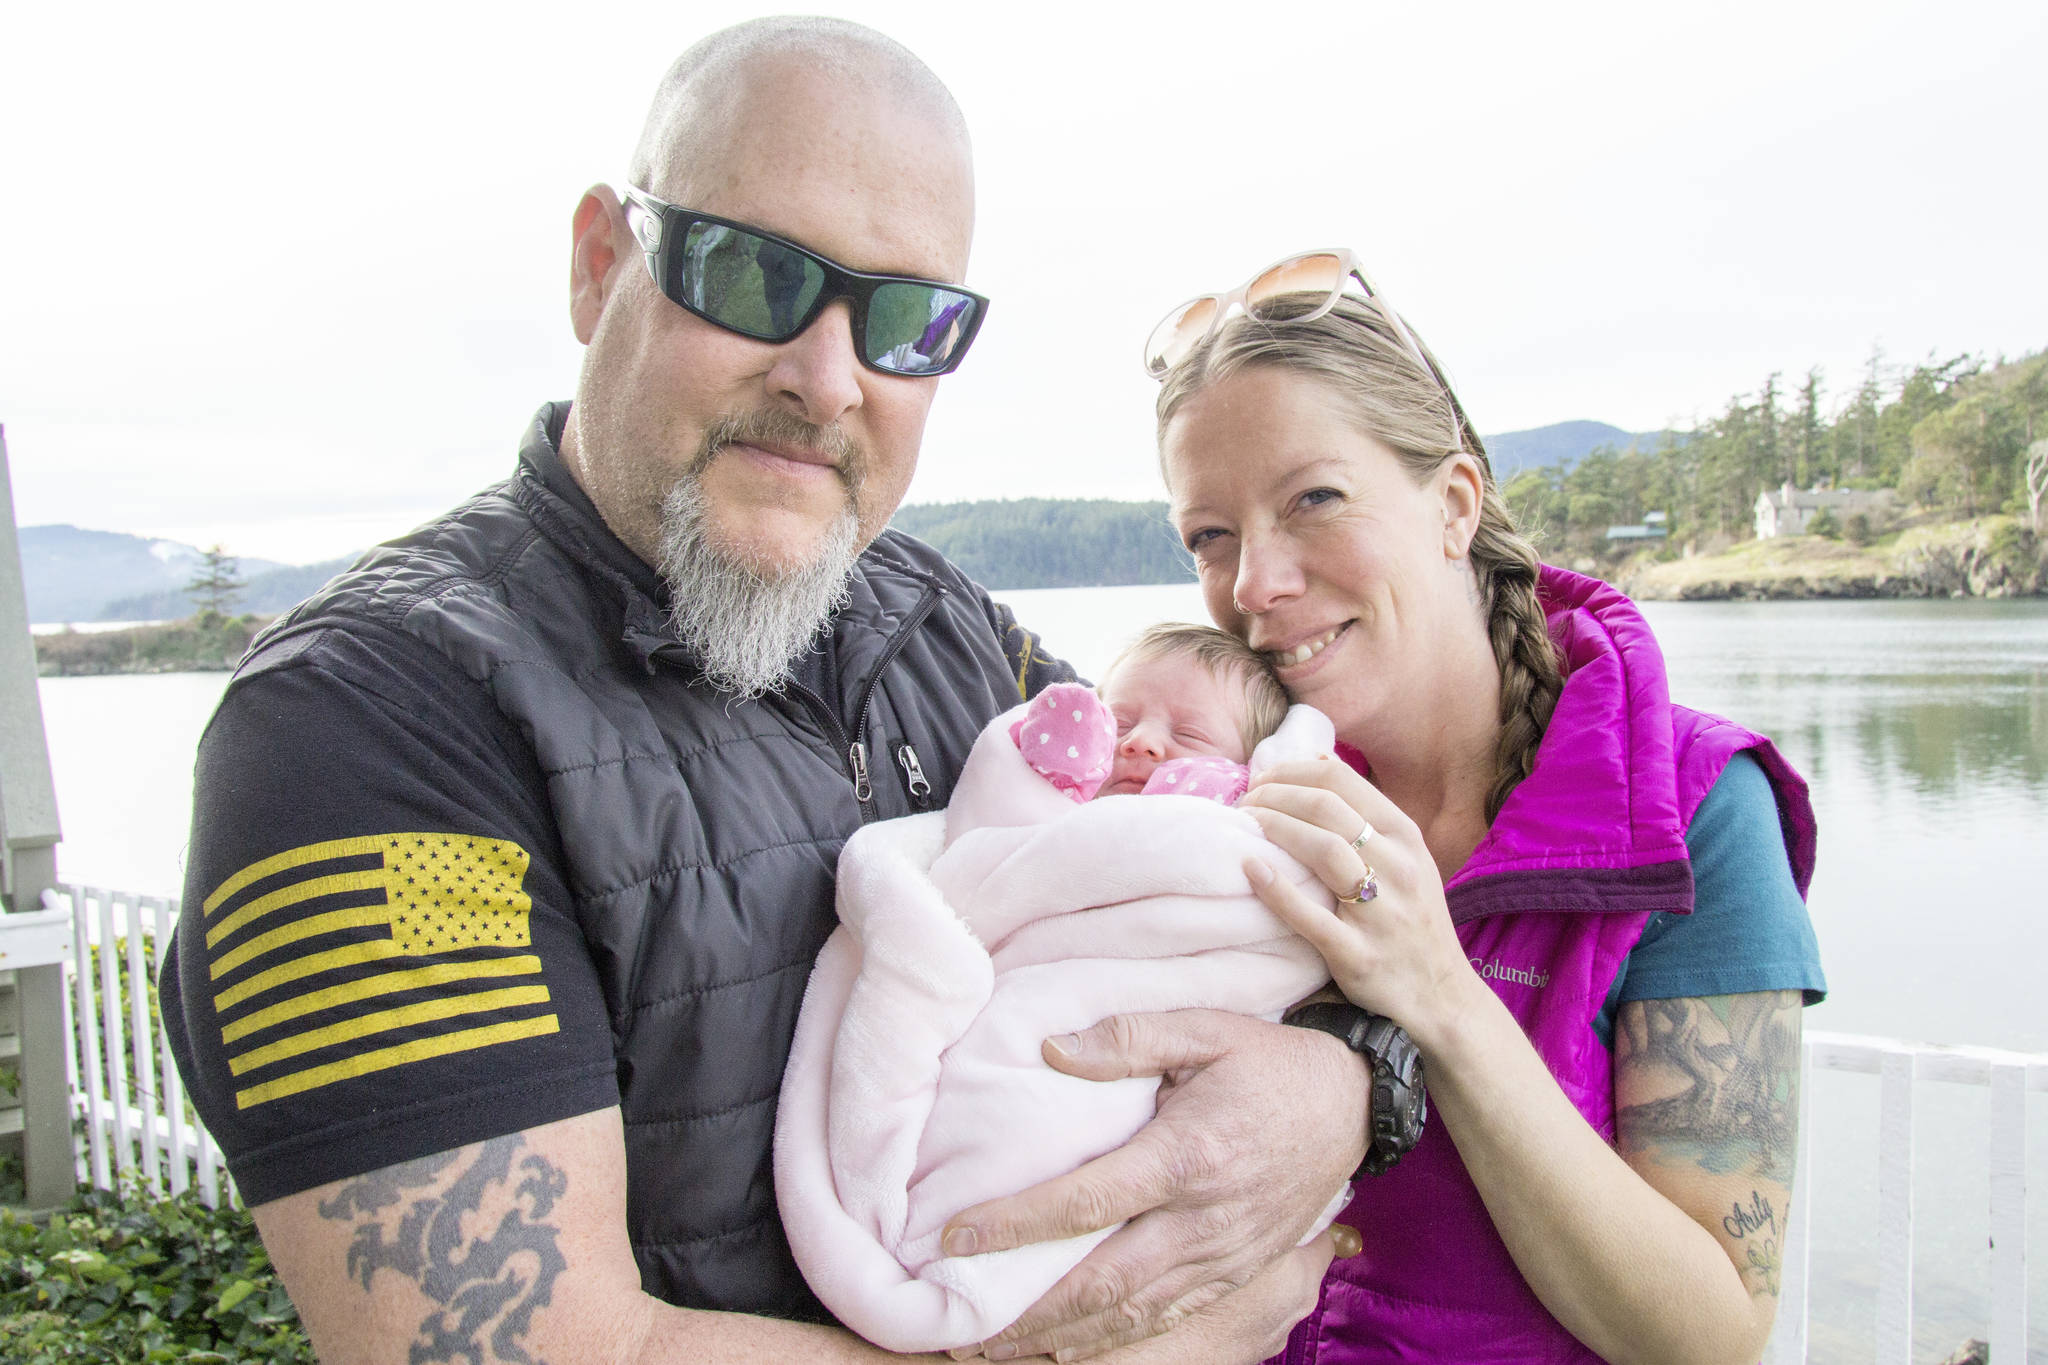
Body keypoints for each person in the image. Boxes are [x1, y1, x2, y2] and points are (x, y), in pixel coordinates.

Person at [158, 22, 1367, 1365]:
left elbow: (1212, 872)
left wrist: (1351, 1082)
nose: (827, 380)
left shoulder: (952, 632)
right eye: (753, 273)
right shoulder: (366, 728)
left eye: (907, 321)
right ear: (600, 265)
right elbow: (520, 1350)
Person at [1005, 249, 1818, 1365]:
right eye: (1210, 537)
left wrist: (1440, 996)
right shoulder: (1219, 793)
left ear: (1453, 505)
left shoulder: (1695, 808)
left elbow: (1711, 1336)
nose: (1253, 584)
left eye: (1314, 499)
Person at [776, 627, 1355, 1353]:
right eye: (1121, 719)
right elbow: (980, 859)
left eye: (1188, 736)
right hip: (1002, 1038)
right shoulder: (1039, 814)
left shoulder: (1249, 835)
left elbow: (1276, 936)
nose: (1141, 742)